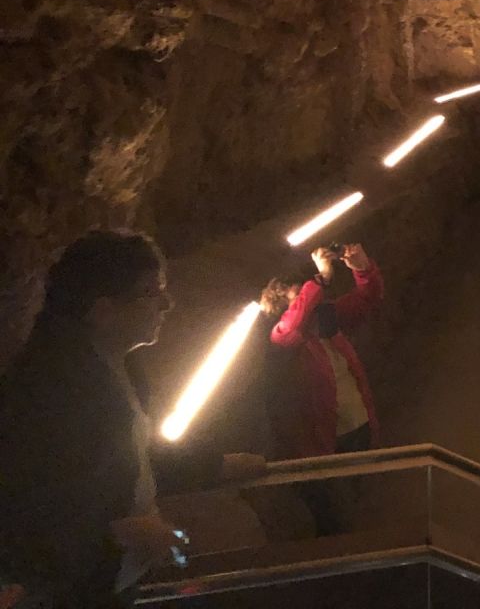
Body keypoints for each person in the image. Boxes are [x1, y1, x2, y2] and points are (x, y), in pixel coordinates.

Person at [0, 231, 262, 607]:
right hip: (76, 592)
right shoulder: (46, 395)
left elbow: (133, 457)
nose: (166, 304)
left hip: (118, 576)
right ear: (102, 310)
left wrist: (215, 466)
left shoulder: (118, 366)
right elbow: (28, 508)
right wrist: (119, 532)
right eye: (151, 292)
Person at [258, 243, 383, 535]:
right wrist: (321, 279)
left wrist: (362, 267)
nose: (311, 304)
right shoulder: (283, 341)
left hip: (357, 429)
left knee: (358, 504)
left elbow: (369, 298)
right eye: (301, 299)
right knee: (338, 519)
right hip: (321, 446)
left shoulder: (325, 322)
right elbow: (291, 328)